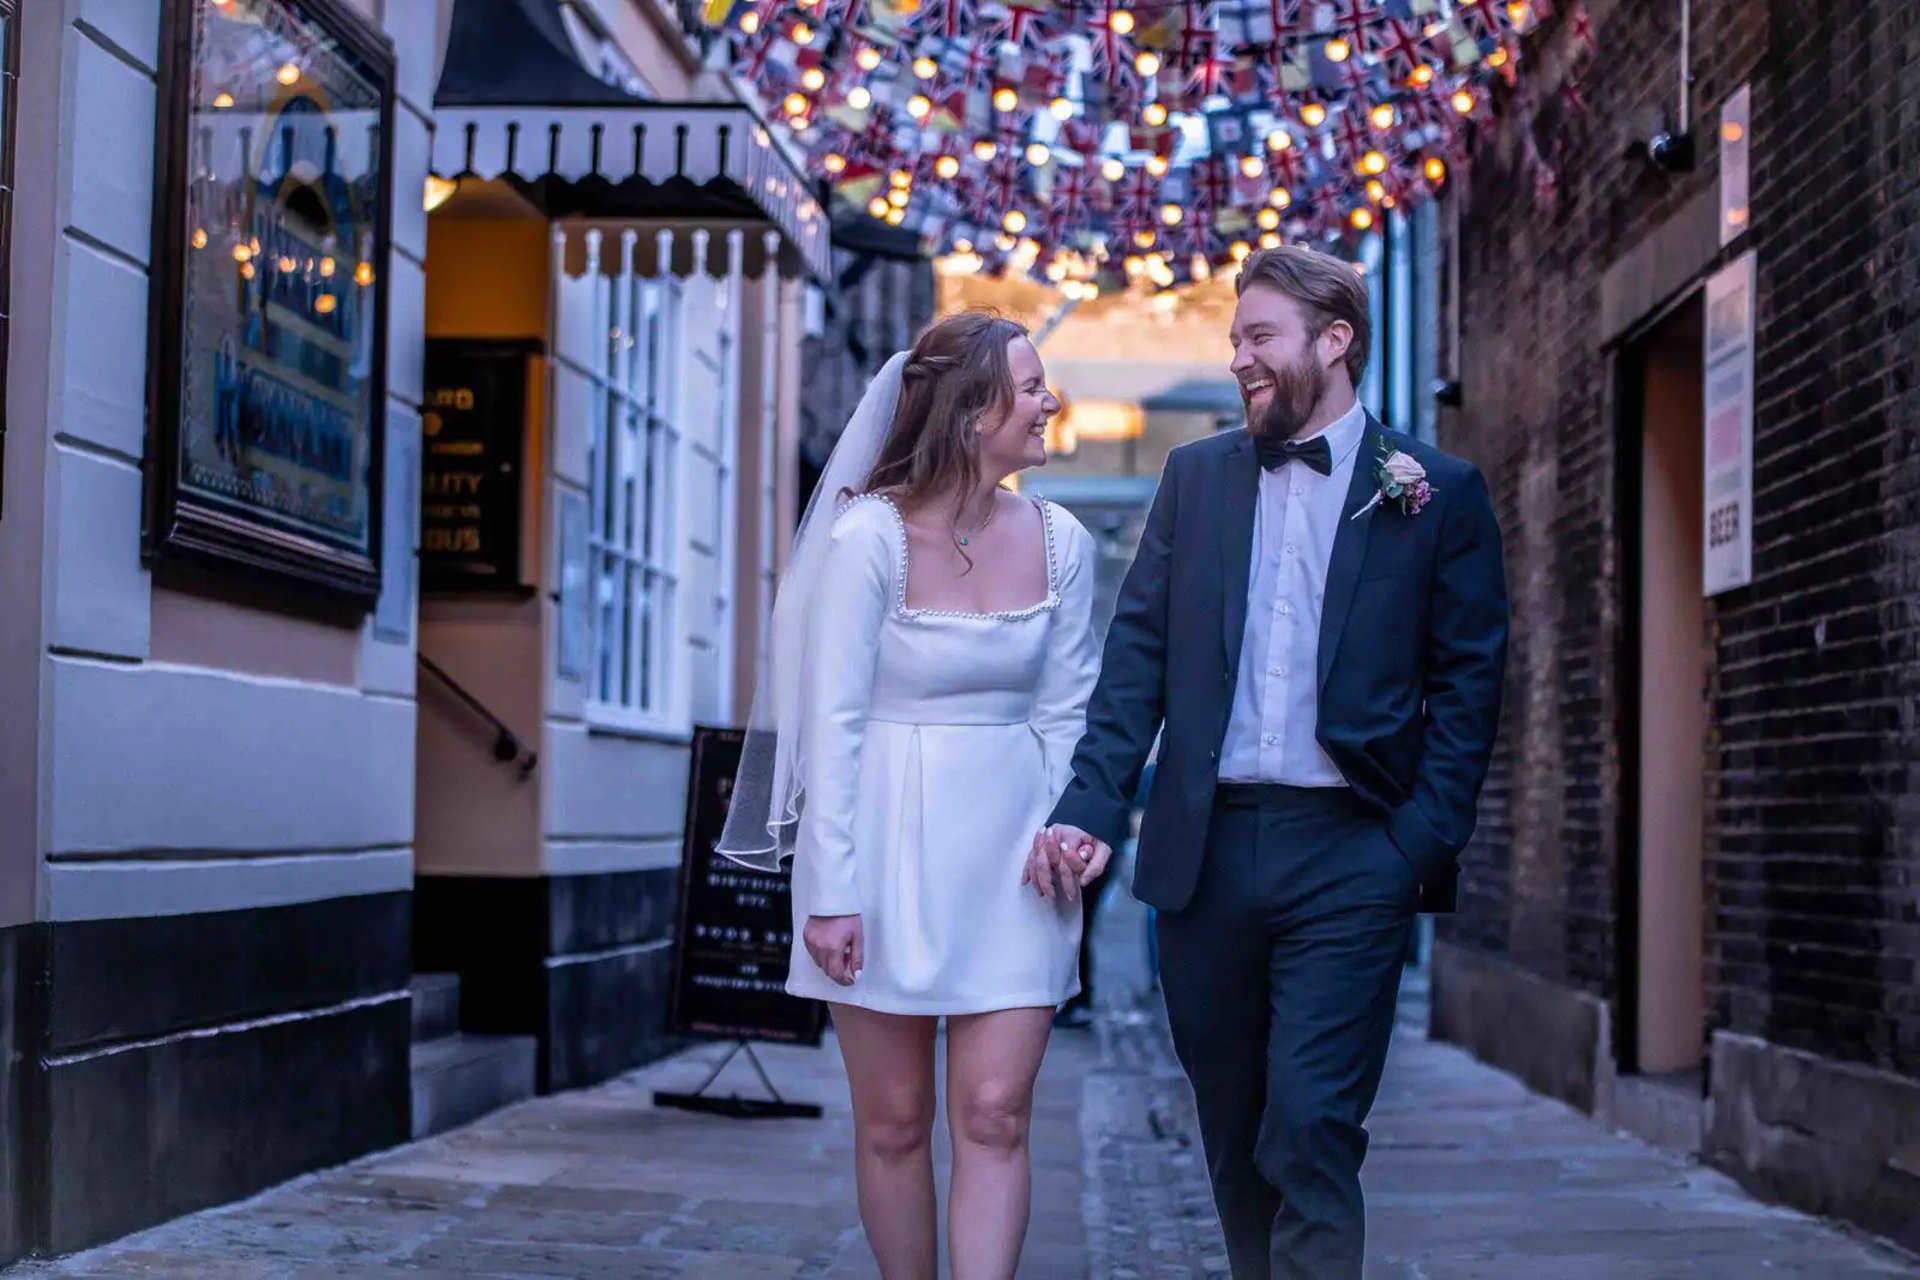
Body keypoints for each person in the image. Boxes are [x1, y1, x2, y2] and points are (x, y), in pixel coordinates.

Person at [1028, 246, 1509, 1280]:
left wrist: (1414, 844)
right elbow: (1137, 662)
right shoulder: (1195, 478)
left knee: (1313, 1119)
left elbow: (1471, 685)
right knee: (1236, 1124)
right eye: (1235, 336)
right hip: (1206, 854)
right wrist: (1091, 808)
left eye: (1259, 336)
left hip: (1352, 852)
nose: (1238, 355)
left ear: (1334, 341)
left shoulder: (1436, 493)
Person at [718, 312, 1099, 1280]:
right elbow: (831, 724)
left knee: (995, 1112)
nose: (1048, 401)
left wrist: (1066, 826)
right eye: (1030, 385)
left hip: (1015, 863)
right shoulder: (866, 540)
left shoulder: (1065, 543)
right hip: (878, 852)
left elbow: (1069, 709)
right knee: (893, 1121)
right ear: (973, 411)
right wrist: (831, 890)